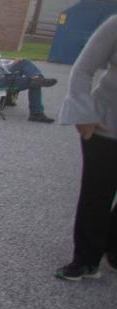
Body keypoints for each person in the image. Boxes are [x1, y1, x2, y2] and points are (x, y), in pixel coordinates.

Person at [55, 15, 117, 280]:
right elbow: (82, 69)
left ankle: (111, 245)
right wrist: (84, 113)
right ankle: (85, 259)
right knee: (97, 193)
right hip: (106, 125)